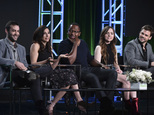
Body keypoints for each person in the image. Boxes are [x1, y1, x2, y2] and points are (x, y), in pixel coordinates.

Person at [30, 25, 93, 115]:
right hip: (40, 72)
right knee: (69, 77)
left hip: (50, 70)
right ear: (39, 35)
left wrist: (59, 59)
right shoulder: (35, 45)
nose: (47, 35)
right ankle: (79, 102)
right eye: (44, 33)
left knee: (69, 78)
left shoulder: (49, 46)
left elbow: (52, 65)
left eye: (48, 33)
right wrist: (46, 61)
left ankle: (52, 105)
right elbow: (33, 65)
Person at [58, 23, 117, 115]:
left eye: (76, 32)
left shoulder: (83, 43)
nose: (74, 33)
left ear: (79, 33)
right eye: (72, 31)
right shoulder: (63, 44)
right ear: (68, 32)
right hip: (76, 70)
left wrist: (101, 65)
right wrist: (75, 45)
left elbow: (90, 59)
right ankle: (106, 103)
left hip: (88, 68)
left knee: (112, 73)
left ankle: (106, 104)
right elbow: (70, 61)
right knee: (92, 77)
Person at [0, 21, 47, 115]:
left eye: (18, 31)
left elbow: (25, 64)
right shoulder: (1, 43)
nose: (16, 33)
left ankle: (41, 108)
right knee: (32, 76)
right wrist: (14, 62)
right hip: (8, 74)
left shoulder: (21, 48)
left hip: (21, 75)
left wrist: (25, 68)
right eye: (13, 31)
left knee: (35, 77)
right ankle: (41, 108)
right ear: (6, 31)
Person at [94, 26, 140, 115]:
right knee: (127, 79)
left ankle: (130, 104)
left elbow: (115, 63)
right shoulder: (99, 47)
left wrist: (118, 68)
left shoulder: (113, 47)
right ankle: (130, 105)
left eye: (111, 33)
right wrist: (109, 68)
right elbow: (97, 64)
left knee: (130, 79)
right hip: (103, 72)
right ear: (103, 35)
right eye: (107, 33)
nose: (109, 35)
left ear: (114, 36)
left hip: (113, 72)